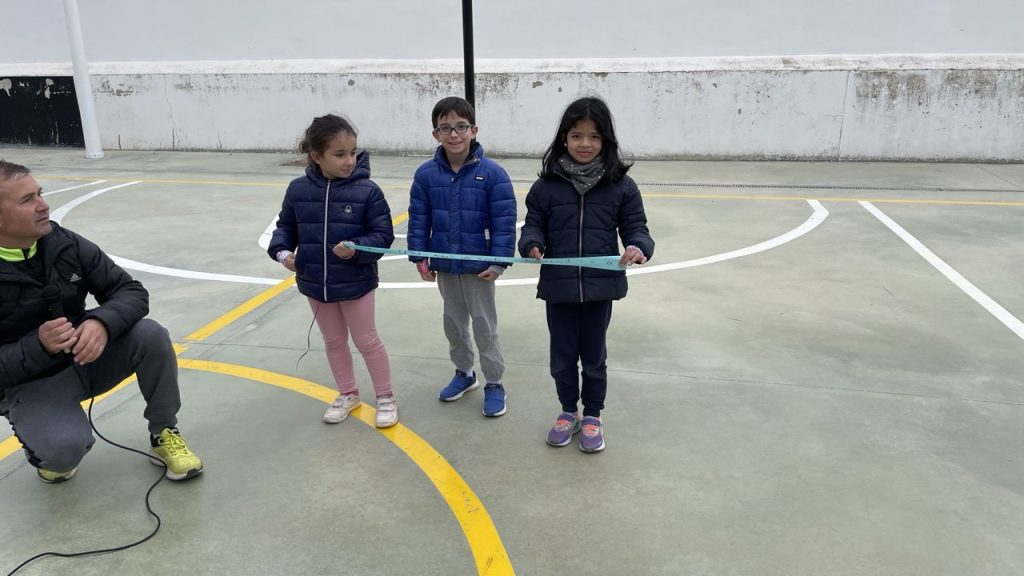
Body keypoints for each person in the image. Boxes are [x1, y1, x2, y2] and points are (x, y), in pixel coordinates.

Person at [0, 159, 203, 482]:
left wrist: (102, 323)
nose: (43, 205)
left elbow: (129, 291)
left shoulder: (63, 243)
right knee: (61, 456)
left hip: (87, 358)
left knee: (150, 335)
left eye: (40, 193)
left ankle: (164, 431)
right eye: (27, 200)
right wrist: (39, 346)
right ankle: (43, 440)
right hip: (32, 382)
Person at [518, 97, 655, 453]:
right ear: (564, 138)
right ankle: (569, 411)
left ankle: (593, 414)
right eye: (577, 135)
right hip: (558, 288)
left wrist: (638, 246)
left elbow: (636, 227)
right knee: (562, 357)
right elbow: (533, 225)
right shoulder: (546, 187)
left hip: (600, 289)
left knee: (594, 358)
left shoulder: (621, 186)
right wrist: (531, 243)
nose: (585, 144)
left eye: (594, 136)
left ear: (605, 140)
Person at [268, 114, 398, 428]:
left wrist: (357, 248)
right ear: (316, 156)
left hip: (356, 281)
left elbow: (382, 236)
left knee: (366, 340)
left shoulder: (368, 191)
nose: (349, 160)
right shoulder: (298, 190)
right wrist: (283, 253)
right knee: (333, 341)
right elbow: (285, 227)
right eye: (339, 154)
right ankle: (347, 393)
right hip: (314, 282)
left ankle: (385, 397)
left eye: (352, 152)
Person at [407, 96, 517, 417]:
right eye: (445, 128)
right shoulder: (426, 175)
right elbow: (418, 220)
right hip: (445, 267)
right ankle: (464, 373)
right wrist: (420, 258)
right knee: (453, 324)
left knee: (484, 326)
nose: (454, 134)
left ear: (474, 130)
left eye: (461, 127)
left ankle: (494, 382)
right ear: (435, 134)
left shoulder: (493, 174)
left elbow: (504, 222)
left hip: (479, 269)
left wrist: (498, 262)